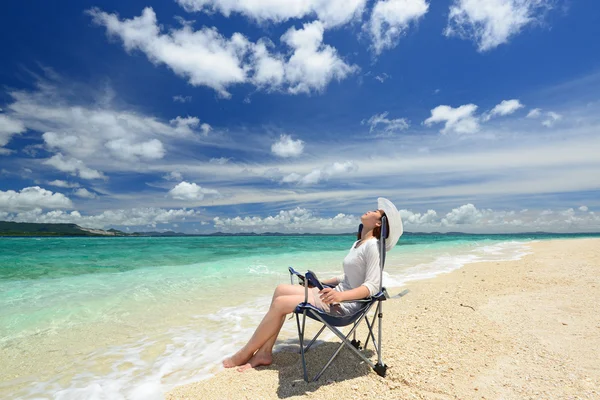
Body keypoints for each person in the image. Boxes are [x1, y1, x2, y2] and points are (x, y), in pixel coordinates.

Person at [223, 198, 402, 372]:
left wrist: (340, 296)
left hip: (344, 306)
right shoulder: (358, 244)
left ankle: (245, 353)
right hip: (334, 295)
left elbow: (372, 286)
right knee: (280, 290)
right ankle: (264, 352)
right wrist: (319, 282)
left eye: (375, 212)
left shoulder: (373, 246)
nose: (370, 210)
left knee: (281, 304)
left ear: (378, 224)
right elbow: (346, 277)